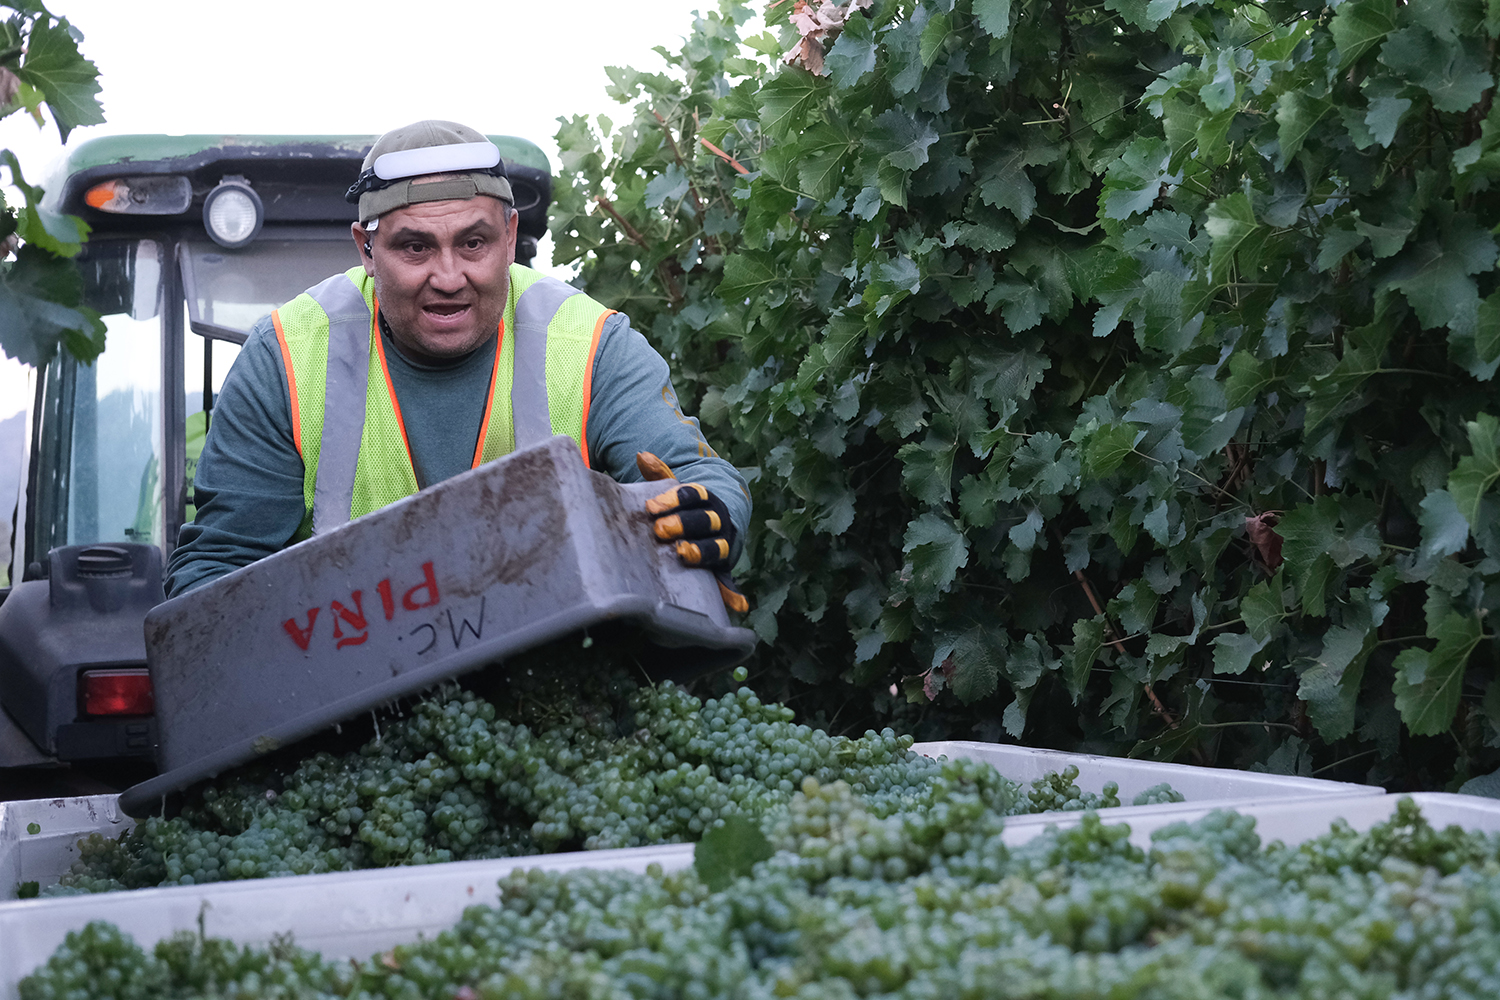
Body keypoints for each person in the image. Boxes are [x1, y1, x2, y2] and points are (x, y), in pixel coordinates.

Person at [165, 120, 749, 607]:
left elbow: (696, 478)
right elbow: (218, 566)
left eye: (473, 244)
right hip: (352, 690)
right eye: (415, 247)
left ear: (510, 233)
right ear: (365, 249)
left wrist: (712, 513)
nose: (448, 278)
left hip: (554, 677)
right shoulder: (285, 358)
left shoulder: (591, 344)